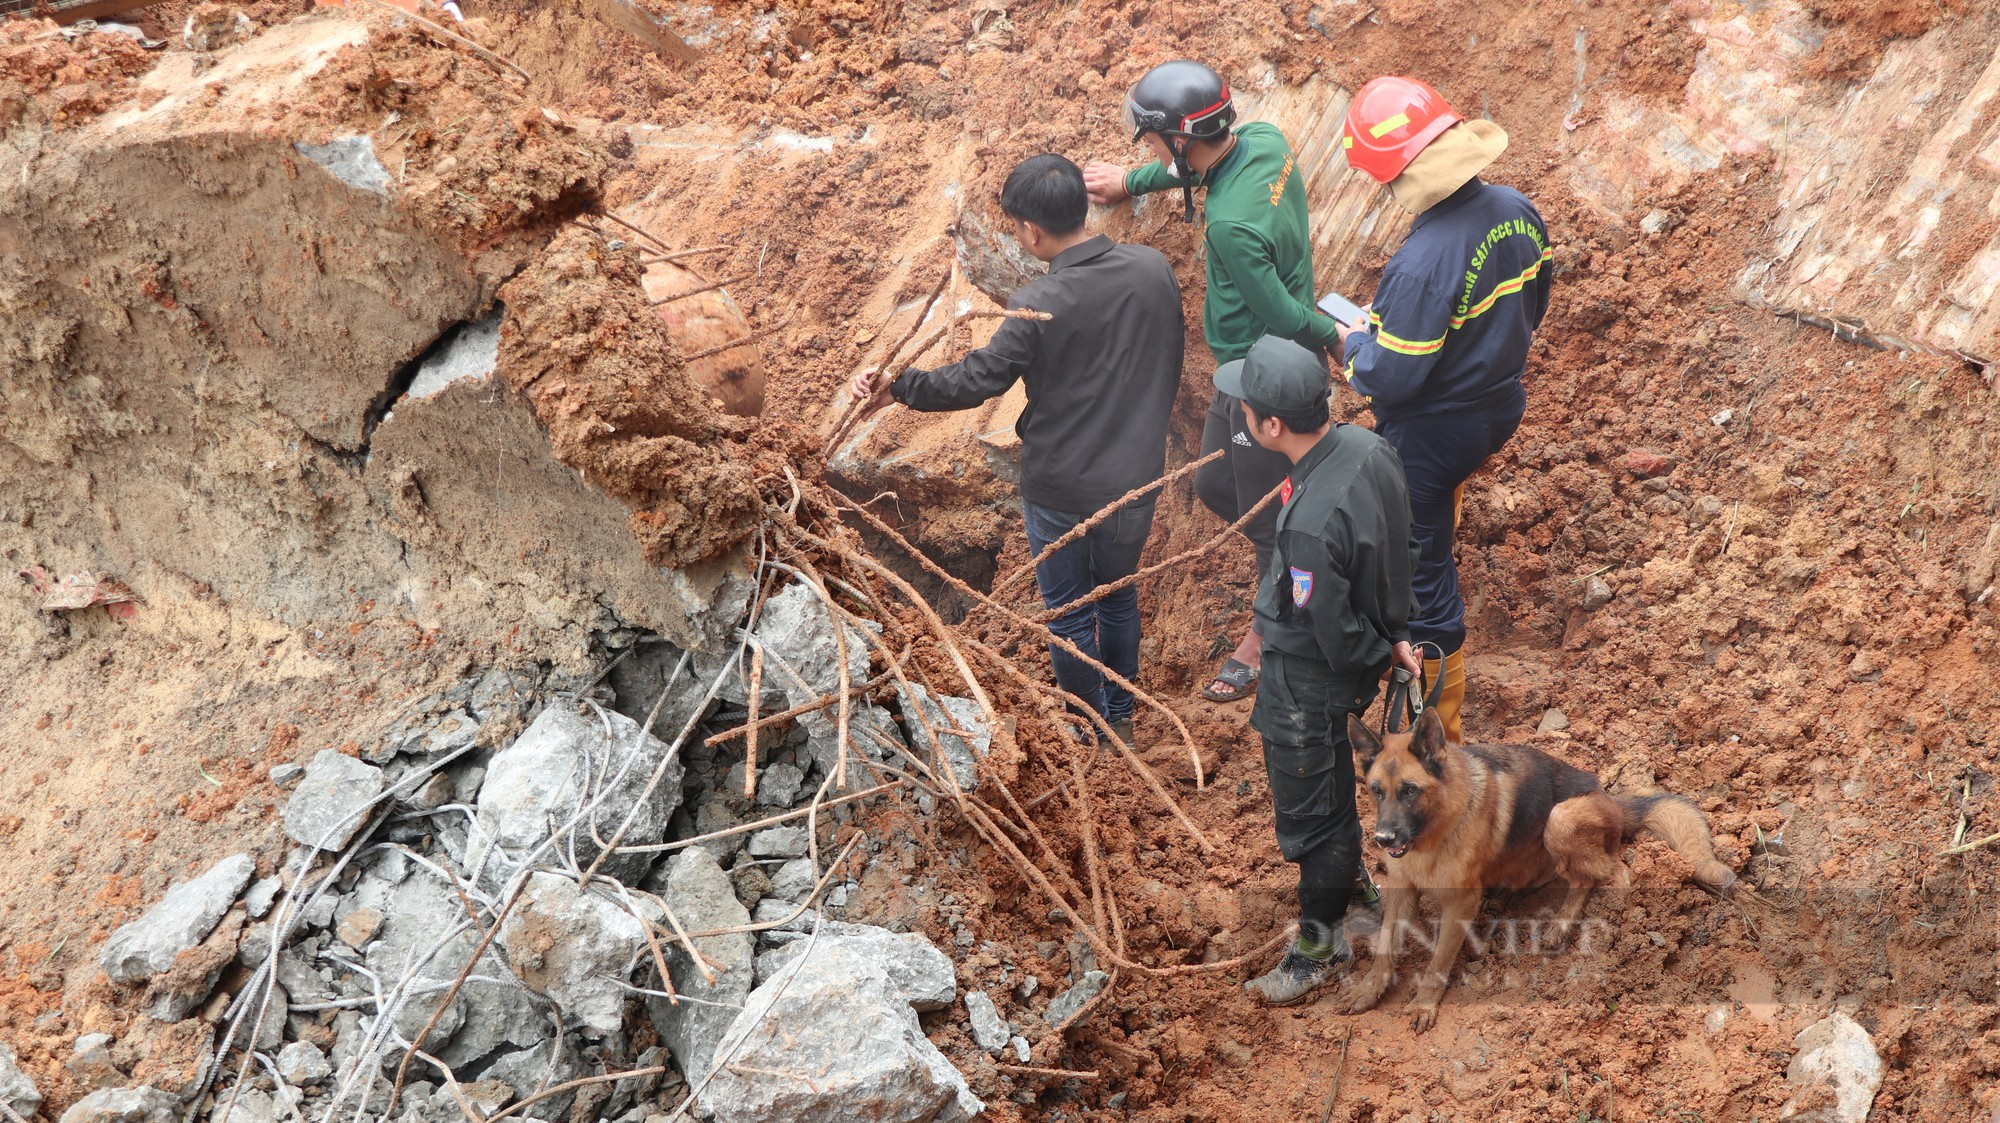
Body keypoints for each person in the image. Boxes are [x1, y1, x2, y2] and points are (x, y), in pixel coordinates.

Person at [849, 155, 1184, 744]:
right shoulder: (1152, 269)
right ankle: (1122, 716)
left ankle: (1086, 726)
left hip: (1060, 484)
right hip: (1136, 477)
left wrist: (899, 387)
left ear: (1031, 230)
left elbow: (979, 379)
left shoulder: (1039, 300)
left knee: (1070, 612)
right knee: (1118, 593)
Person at [1083, 60, 1345, 706]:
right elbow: (1189, 167)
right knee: (1210, 482)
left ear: (1179, 138)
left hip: (1267, 375)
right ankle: (1294, 538)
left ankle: (1268, 631)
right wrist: (1131, 181)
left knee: (1265, 521)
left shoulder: (1230, 225)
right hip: (1238, 372)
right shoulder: (1265, 141)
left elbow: (1284, 312)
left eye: (1151, 141)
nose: (1149, 150)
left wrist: (1338, 340)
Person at [1332, 76, 1552, 745]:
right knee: (1436, 509)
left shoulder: (1423, 260)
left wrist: (1355, 345)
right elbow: (1533, 301)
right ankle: (1436, 525)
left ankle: (1440, 733)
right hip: (1497, 404)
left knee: (1425, 580)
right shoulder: (1518, 209)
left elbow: (1392, 378)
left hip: (1433, 432)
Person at [1214, 335, 1420, 1007]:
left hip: (1307, 681)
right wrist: (1394, 639)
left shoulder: (1307, 524)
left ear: (1271, 425)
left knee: (1313, 816)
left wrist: (1364, 656)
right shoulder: (1367, 447)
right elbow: (1396, 550)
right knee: (1331, 790)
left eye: (1247, 407)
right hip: (1356, 661)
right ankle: (1357, 892)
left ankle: (1317, 947)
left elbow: (1328, 626)